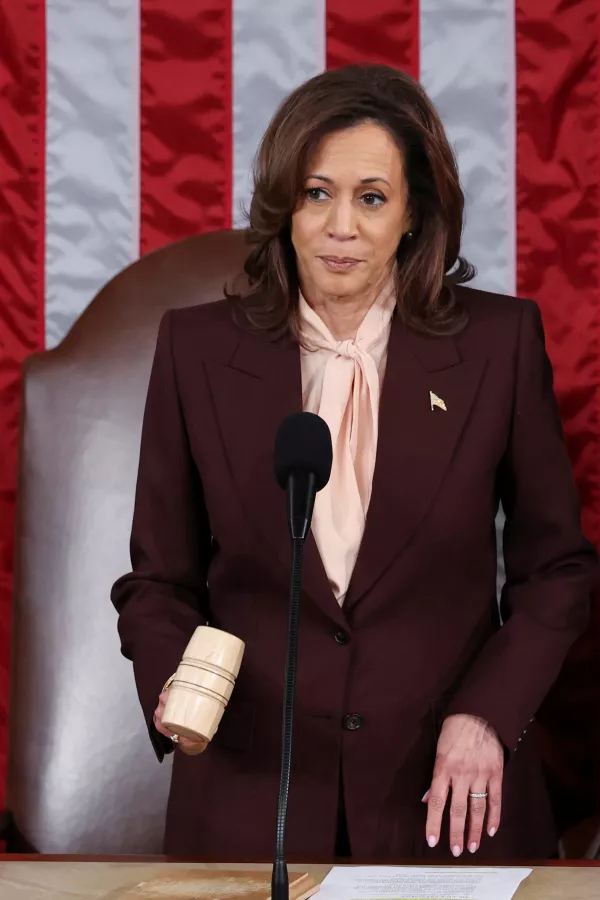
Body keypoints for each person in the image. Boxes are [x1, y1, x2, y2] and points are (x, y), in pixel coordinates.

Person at [111, 64, 597, 861]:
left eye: (371, 197)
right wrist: (177, 688)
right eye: (315, 193)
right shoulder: (195, 350)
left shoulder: (498, 345)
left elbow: (558, 571)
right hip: (249, 791)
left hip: (447, 798)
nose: (342, 225)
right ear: (284, 206)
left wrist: (487, 717)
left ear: (413, 214)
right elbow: (158, 578)